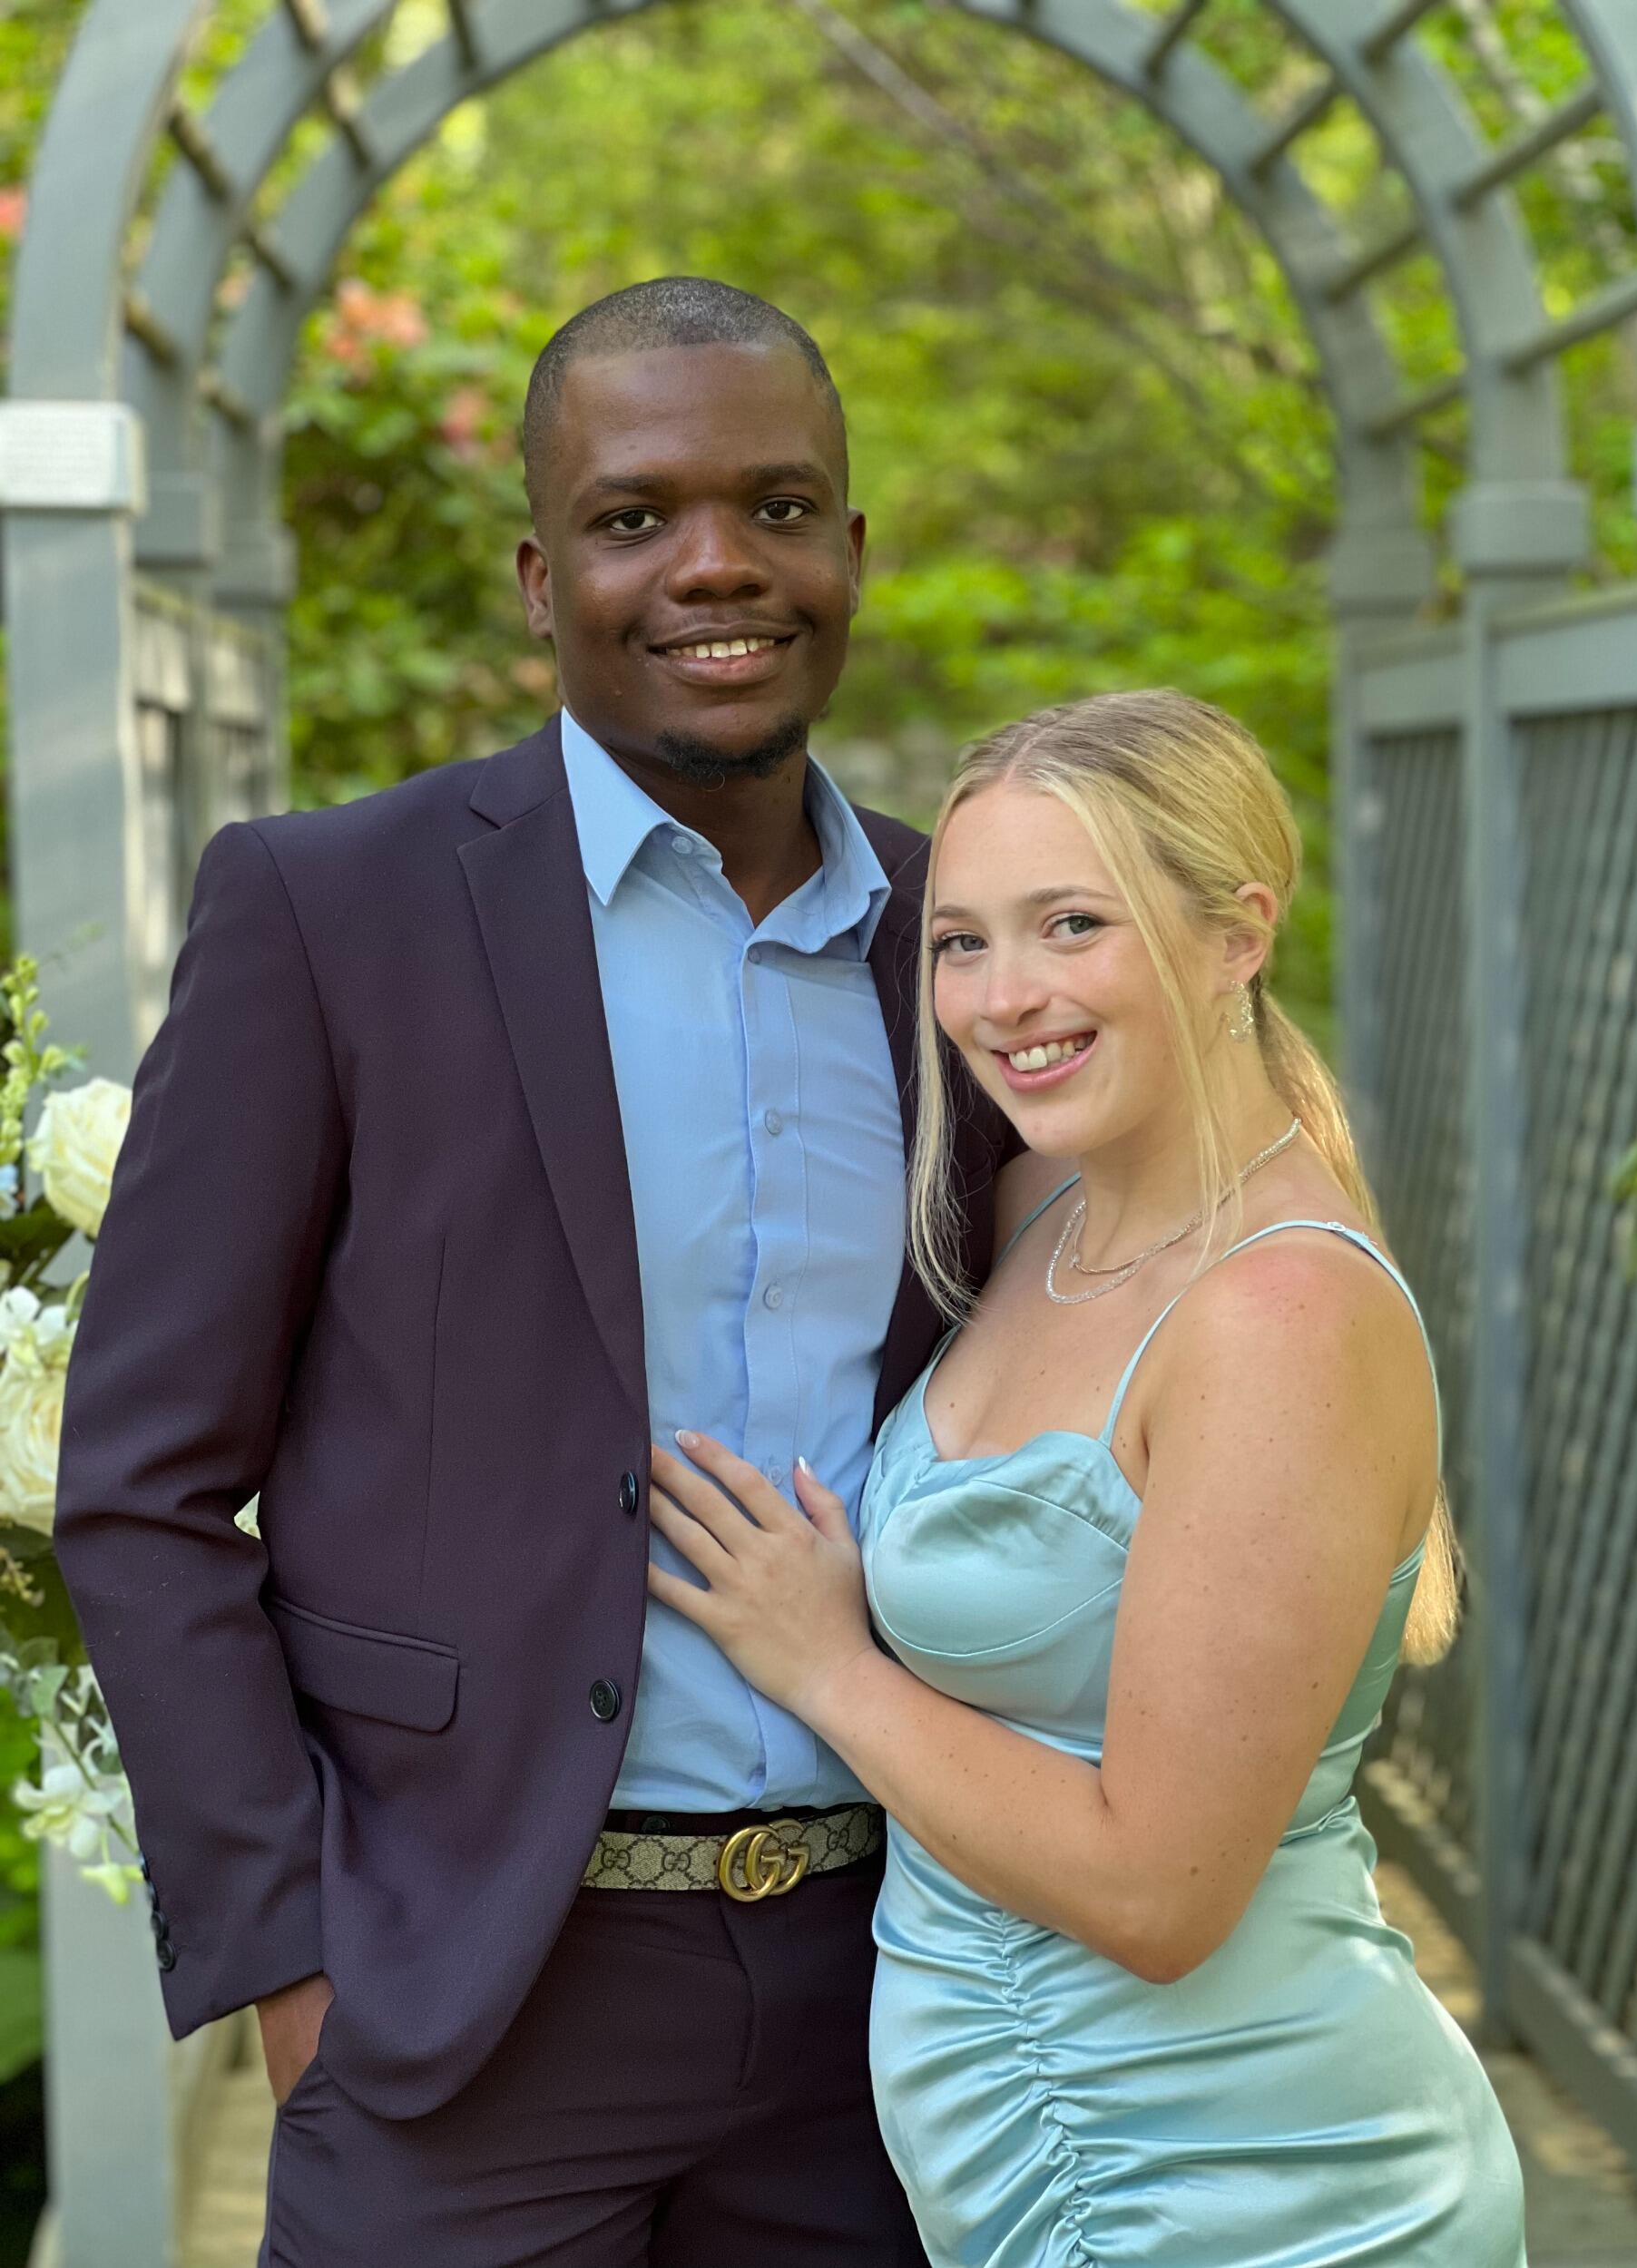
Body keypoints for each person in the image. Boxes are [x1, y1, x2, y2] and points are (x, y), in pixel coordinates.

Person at [54, 279, 1014, 2266]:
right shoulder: (328, 912)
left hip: (895, 1994)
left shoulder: (967, 945)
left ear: (851, 549)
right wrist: (288, 1957)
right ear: (538, 575)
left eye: (776, 507)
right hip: (463, 2001)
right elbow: (141, 1482)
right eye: (633, 516)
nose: (714, 566)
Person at [649, 689, 1529, 2266]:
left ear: (1238, 933)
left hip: (1244, 2183)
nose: (1005, 998)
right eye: (962, 941)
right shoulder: (1045, 1204)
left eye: (1073, 924)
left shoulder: (1278, 1313)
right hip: (1025, 2166)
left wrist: (827, 1667)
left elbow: (1158, 1895)